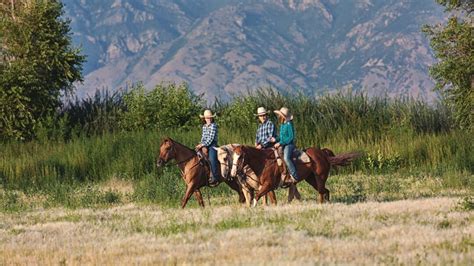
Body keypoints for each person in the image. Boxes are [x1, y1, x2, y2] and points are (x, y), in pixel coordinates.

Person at [274, 107, 299, 183]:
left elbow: (290, 137)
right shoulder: (282, 125)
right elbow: (281, 137)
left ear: (283, 116)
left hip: (289, 144)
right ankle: (283, 172)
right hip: (283, 144)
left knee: (286, 158)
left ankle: (294, 176)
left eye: (280, 115)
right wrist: (275, 139)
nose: (278, 117)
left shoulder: (289, 124)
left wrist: (280, 143)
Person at [195, 109, 219, 185]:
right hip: (204, 144)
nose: (208, 119)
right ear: (204, 119)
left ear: (211, 118)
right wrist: (201, 144)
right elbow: (203, 137)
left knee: (212, 158)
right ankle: (201, 175)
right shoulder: (204, 127)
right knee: (196, 155)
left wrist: (203, 145)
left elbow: (211, 138)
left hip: (212, 145)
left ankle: (215, 177)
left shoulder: (213, 126)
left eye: (209, 118)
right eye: (206, 118)